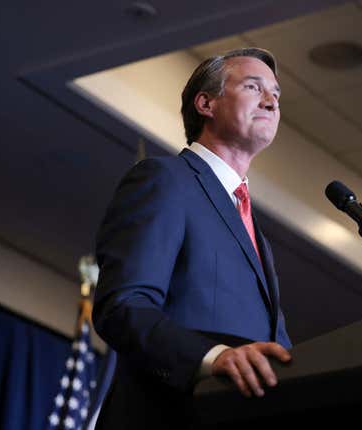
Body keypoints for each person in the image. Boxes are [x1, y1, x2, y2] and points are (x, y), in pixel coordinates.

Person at [92, 47, 292, 429]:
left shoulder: (253, 228)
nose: (271, 101)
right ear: (206, 103)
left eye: (276, 94)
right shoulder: (165, 179)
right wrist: (211, 356)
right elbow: (123, 304)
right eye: (254, 87)